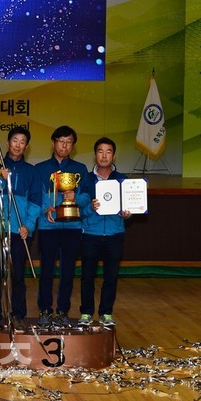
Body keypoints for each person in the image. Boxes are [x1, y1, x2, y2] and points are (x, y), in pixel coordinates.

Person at [33, 125, 91, 327]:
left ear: (73, 146)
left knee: (68, 271)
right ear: (53, 143)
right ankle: (45, 310)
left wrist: (76, 197)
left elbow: (87, 197)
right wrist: (45, 209)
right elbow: (36, 196)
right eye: (61, 141)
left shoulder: (80, 169)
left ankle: (63, 310)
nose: (64, 146)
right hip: (48, 227)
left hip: (73, 226)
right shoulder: (40, 169)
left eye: (69, 142)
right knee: (47, 270)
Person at [0, 127, 40, 331]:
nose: (18, 145)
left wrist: (28, 226)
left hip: (19, 230)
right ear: (8, 142)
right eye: (14, 140)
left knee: (18, 275)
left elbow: (35, 202)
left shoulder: (31, 171)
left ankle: (18, 314)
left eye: (22, 141)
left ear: (27, 146)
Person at [78, 137, 131, 328]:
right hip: (90, 233)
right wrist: (90, 207)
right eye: (100, 151)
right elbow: (79, 210)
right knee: (87, 276)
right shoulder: (86, 179)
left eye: (108, 152)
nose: (104, 155)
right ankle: (86, 312)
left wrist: (127, 214)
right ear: (95, 155)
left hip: (114, 234)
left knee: (111, 276)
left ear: (113, 156)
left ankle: (106, 312)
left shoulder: (123, 180)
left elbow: (129, 209)